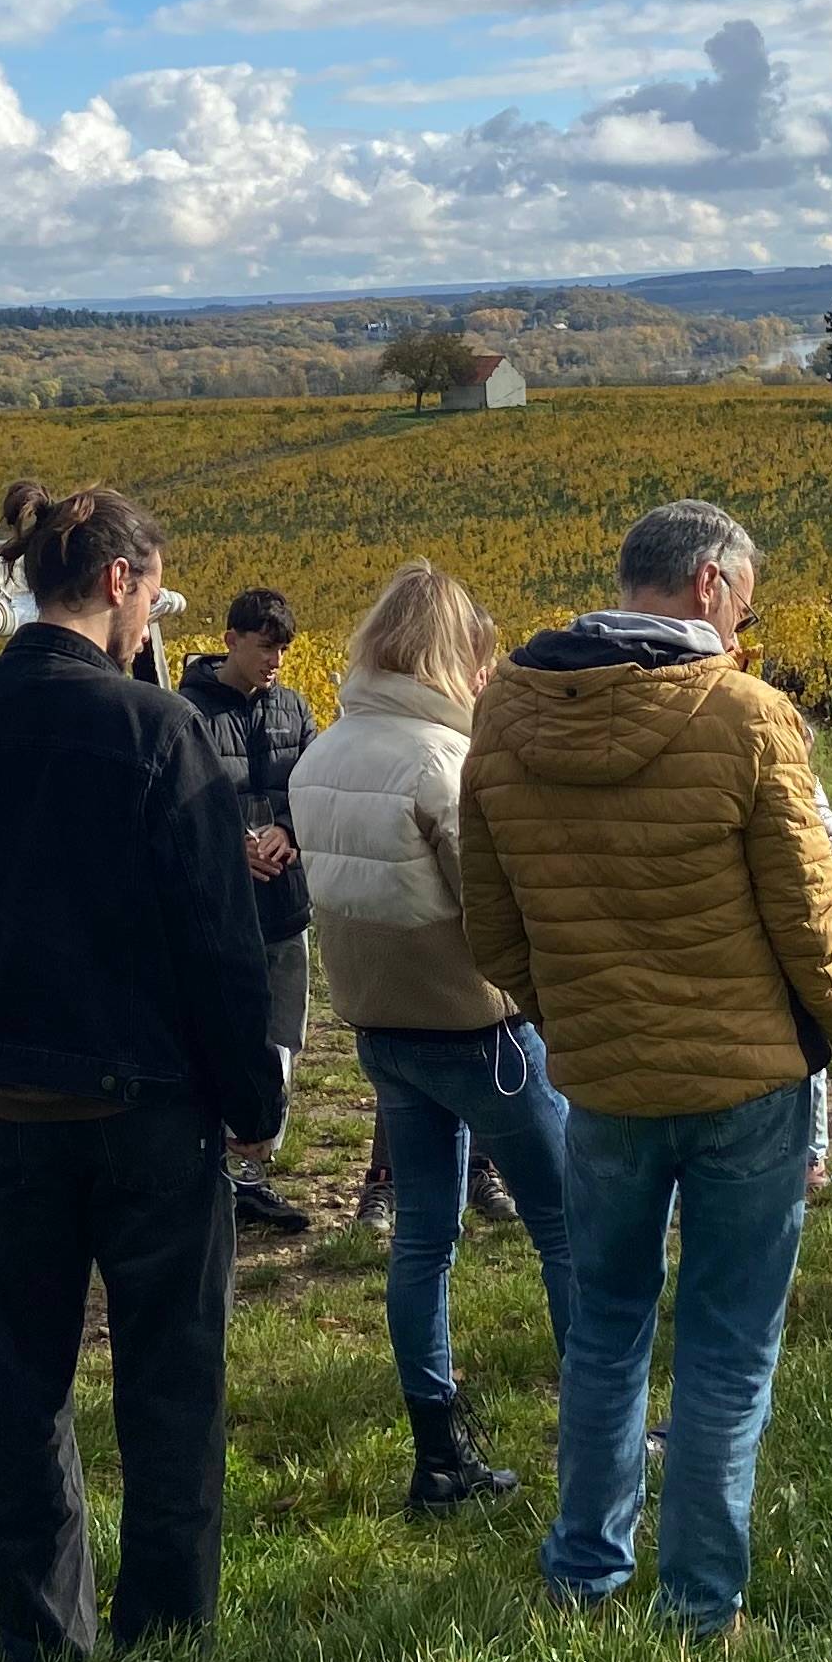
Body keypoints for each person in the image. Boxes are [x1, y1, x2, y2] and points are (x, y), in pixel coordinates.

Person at [460, 499, 832, 1638]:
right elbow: (819, 936)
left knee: (608, 1330)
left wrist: (579, 1012)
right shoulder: (748, 720)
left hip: (605, 1087)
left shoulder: (505, 721)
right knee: (727, 1347)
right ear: (712, 585)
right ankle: (701, 1603)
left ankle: (584, 1564)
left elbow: (492, 932)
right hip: (747, 1091)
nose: (746, 626)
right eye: (748, 604)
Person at [0, 481, 286, 1662]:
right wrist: (254, 1097)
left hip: (2, 1092)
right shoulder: (153, 728)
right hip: (145, 1102)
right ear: (120, 581)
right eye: (151, 593)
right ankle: (166, 1634)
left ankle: (38, 1641)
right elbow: (216, 935)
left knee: (22, 1382)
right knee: (170, 1378)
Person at [299, 561, 576, 1511]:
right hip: (480, 1032)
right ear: (454, 658)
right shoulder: (439, 764)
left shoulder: (322, 751)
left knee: (424, 1239)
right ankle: (601, 1425)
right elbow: (499, 910)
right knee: (566, 1230)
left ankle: (438, 1448)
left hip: (381, 1026)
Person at [180, 591, 317, 1235]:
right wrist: (231, 845)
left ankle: (254, 1168)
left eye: (283, 648)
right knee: (218, 1034)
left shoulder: (294, 709)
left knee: (282, 1037)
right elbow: (178, 804)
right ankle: (213, 1171)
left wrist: (288, 829)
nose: (276, 660)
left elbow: (313, 785)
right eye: (265, 645)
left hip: (285, 905)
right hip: (219, 910)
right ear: (230, 638)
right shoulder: (185, 712)